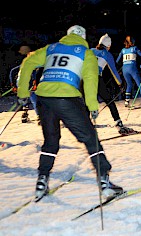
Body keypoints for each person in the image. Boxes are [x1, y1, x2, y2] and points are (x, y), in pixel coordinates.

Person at [17, 25, 123, 201]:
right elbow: (90, 79)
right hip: (67, 99)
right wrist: (92, 106)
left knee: (50, 141)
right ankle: (104, 182)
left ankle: (42, 181)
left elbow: (28, 62)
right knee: (90, 138)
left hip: (44, 98)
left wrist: (23, 93)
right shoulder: (86, 52)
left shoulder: (51, 48)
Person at [91, 34, 136, 135]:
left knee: (87, 102)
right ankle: (119, 124)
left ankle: (85, 126)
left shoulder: (90, 50)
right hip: (96, 78)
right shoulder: (106, 54)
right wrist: (120, 84)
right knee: (109, 101)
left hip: (84, 79)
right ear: (108, 45)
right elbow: (114, 72)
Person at [9, 45, 42, 124]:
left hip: (22, 84)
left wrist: (13, 85)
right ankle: (38, 116)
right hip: (27, 84)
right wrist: (34, 84)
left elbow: (12, 72)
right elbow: (34, 75)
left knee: (25, 99)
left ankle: (25, 114)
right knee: (34, 99)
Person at [116, 36, 141, 107]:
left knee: (129, 84)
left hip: (124, 69)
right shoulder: (134, 48)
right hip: (132, 68)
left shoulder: (123, 50)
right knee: (139, 84)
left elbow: (117, 60)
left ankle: (127, 101)